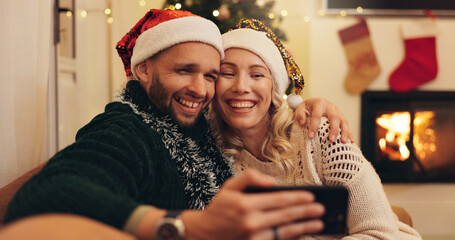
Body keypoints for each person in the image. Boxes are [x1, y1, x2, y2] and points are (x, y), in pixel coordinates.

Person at [4, 10, 351, 240]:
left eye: (211, 76)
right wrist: (185, 226)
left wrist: (307, 105)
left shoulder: (202, 125)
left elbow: (256, 111)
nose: (200, 90)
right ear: (143, 69)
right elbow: (47, 193)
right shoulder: (125, 128)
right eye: (184, 71)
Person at [210, 19, 422, 239]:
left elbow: (379, 232)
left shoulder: (318, 134)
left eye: (257, 75)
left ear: (275, 87)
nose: (241, 87)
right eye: (227, 73)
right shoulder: (206, 153)